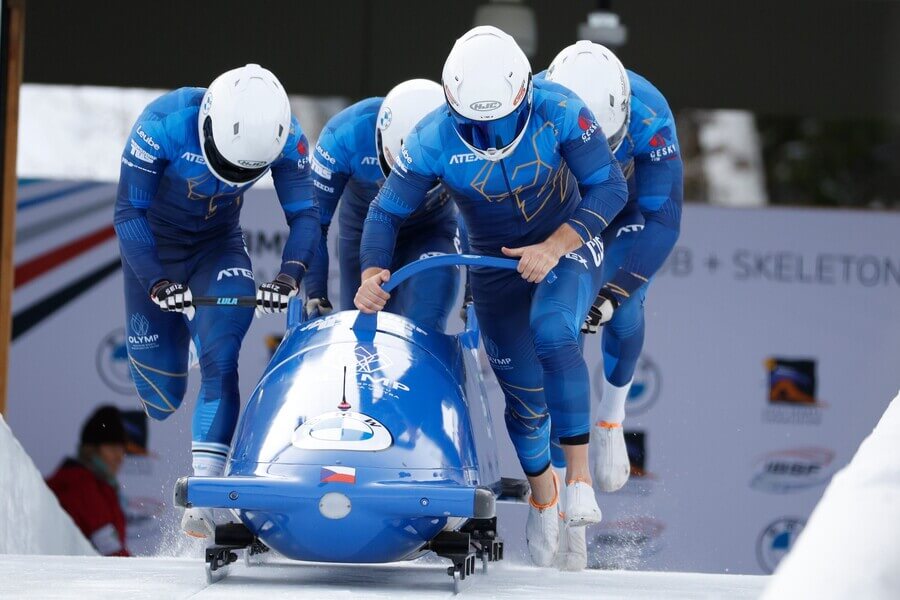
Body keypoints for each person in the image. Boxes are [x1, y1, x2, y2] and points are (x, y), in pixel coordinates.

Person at [355, 26, 628, 567]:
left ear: (525, 94)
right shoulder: (431, 137)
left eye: (502, 122)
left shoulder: (561, 109)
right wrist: (371, 272)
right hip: (494, 263)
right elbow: (385, 212)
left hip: (565, 244)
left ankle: (577, 480)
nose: (491, 136)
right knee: (524, 400)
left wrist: (555, 245)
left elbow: (611, 187)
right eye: (475, 128)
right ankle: (544, 497)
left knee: (554, 329)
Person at [113, 64, 320, 537]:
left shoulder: (287, 136)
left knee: (222, 357)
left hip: (218, 246)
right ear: (207, 125)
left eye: (244, 173)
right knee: (161, 399)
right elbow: (129, 213)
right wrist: (155, 281)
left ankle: (204, 498)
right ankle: (184, 340)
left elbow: (306, 215)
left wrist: (290, 275)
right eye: (224, 163)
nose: (230, 177)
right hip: (155, 249)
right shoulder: (162, 123)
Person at [543, 41, 683, 569]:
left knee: (623, 309)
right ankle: (559, 489)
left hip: (622, 209)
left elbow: (664, 220)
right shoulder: (532, 100)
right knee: (558, 330)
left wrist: (618, 288)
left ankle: (610, 419)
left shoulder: (650, 116)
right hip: (564, 208)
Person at [305, 79, 460, 330]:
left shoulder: (459, 135)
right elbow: (314, 221)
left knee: (426, 317)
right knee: (363, 332)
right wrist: (315, 292)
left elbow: (476, 211)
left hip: (430, 231)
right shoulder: (345, 134)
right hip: (363, 233)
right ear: (381, 140)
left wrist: (473, 296)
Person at [47, 406, 131, 556]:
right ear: (91, 450)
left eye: (122, 449)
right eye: (112, 448)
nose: (119, 457)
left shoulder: (97, 485)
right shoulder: (80, 485)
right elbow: (112, 553)